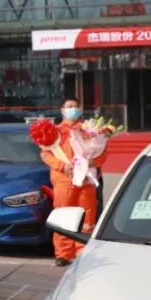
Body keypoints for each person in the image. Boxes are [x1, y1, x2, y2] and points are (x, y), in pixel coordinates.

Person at [41, 98, 106, 267]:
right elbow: (45, 154)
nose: (73, 109)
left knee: (87, 215)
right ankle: (63, 254)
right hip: (64, 179)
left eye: (76, 106)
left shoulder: (90, 130)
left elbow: (103, 153)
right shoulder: (55, 131)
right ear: (62, 109)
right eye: (69, 106)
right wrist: (62, 166)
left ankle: (82, 251)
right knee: (63, 215)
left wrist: (90, 163)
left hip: (86, 179)